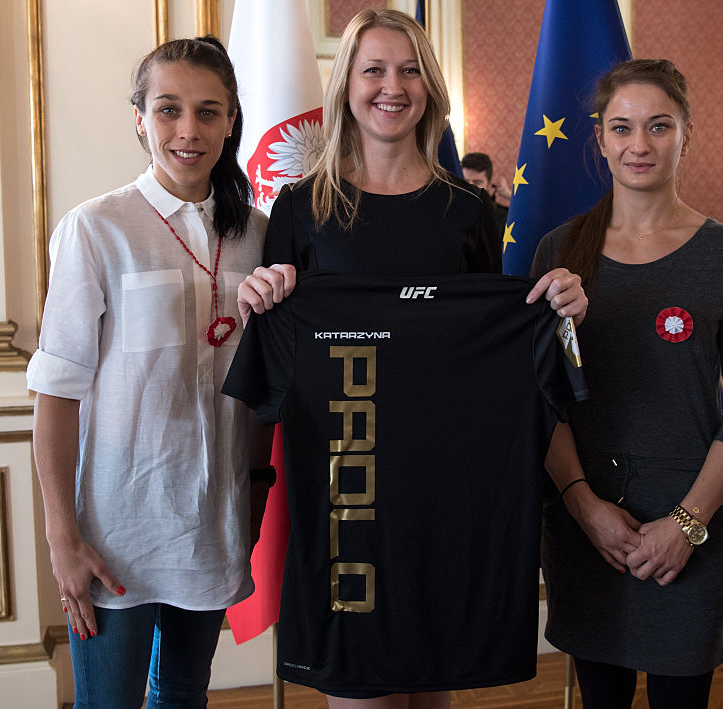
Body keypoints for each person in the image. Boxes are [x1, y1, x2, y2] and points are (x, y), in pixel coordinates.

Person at [233, 10, 588, 709]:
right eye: (373, 69)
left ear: (429, 86)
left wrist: (562, 312)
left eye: (409, 69)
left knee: (433, 696)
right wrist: (258, 294)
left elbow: (505, 356)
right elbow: (271, 362)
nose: (391, 86)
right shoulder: (301, 210)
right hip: (347, 504)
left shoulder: (470, 213)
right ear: (346, 85)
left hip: (447, 501)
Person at [27, 37, 273, 708]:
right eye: (168, 110)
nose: (188, 131)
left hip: (212, 523)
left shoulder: (257, 233)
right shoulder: (95, 229)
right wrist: (62, 537)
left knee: (184, 693)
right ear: (140, 117)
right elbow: (56, 394)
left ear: (230, 122)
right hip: (115, 532)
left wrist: (254, 493)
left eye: (208, 112)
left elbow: (260, 386)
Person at [532, 59, 723, 709]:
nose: (639, 144)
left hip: (690, 534)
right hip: (590, 534)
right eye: (622, 127)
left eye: (659, 126)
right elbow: (540, 399)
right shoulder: (559, 250)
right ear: (600, 139)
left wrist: (687, 522)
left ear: (685, 134)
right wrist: (585, 507)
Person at [461, 151, 510, 236]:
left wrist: (510, 196)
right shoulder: (449, 213)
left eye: (477, 182)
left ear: (488, 184)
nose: (470, 187)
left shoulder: (502, 217)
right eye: (465, 181)